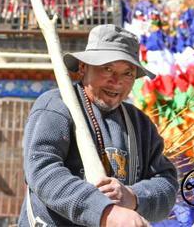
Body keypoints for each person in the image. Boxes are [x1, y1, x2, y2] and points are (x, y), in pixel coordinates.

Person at [19, 24, 178, 227]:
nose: (116, 81)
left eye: (127, 73)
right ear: (83, 68)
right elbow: (42, 170)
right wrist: (105, 212)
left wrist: (133, 196)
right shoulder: (56, 106)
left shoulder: (141, 125)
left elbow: (166, 183)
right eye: (107, 68)